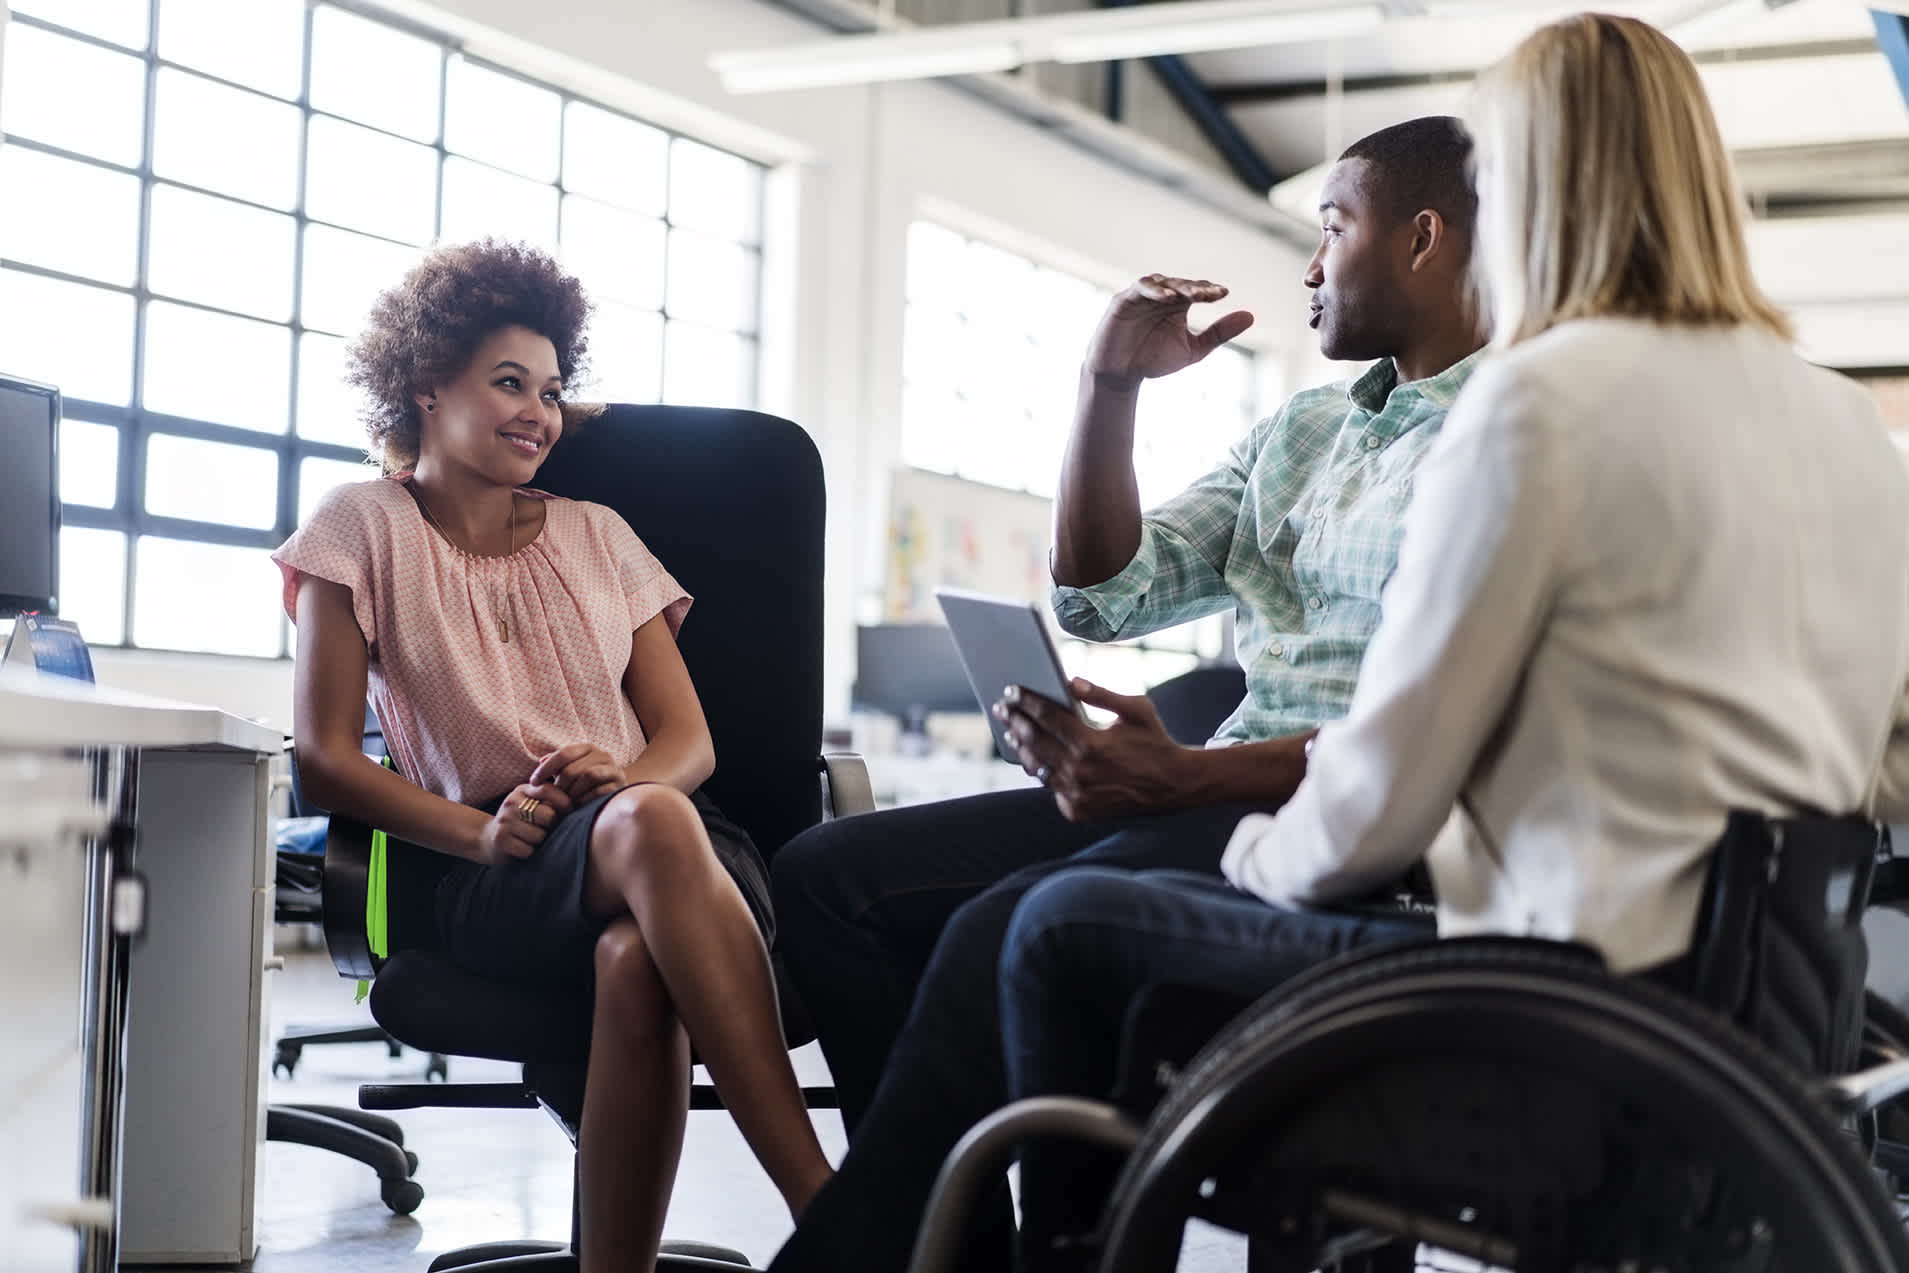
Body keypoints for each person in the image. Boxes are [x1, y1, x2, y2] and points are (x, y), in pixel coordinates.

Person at [994, 12, 1909, 1267]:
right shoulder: (1848, 424)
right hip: (1767, 1034)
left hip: (1552, 1034)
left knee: (1066, 926)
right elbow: (1890, 761)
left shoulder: (1543, 397)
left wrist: (1238, 857)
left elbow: (1379, 797)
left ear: (1522, 191)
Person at [768, 115, 1486, 1273]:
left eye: (1330, 230)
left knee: (1022, 927)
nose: (1308, 268)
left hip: (1336, 817)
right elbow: (1107, 595)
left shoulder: (1506, 436)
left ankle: (872, 1252)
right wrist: (1108, 387)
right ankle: (958, 1246)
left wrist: (1181, 772)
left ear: (1420, 237)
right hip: (1214, 789)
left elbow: (1441, 731)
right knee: (828, 878)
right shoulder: (1307, 429)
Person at [273, 240, 832, 1273]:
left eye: (552, 388)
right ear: (425, 385)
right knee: (646, 847)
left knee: (637, 945)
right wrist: (484, 836)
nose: (539, 410)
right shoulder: (358, 528)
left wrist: (620, 781)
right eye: (508, 383)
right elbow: (324, 763)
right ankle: (833, 1214)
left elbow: (687, 743)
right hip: (501, 870)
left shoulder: (600, 532)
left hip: (676, 844)